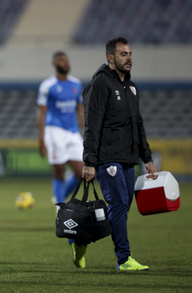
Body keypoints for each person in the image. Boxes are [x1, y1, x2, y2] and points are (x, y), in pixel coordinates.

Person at [79, 37, 157, 271]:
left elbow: (138, 125)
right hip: (107, 157)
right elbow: (92, 124)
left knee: (121, 208)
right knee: (120, 205)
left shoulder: (131, 87)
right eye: (123, 54)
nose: (129, 58)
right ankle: (124, 259)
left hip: (128, 158)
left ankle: (79, 237)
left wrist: (148, 159)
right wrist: (90, 161)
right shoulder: (101, 84)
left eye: (130, 54)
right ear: (110, 59)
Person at [36, 51, 85, 209]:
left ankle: (60, 198)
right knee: (59, 171)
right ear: (55, 64)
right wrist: (41, 139)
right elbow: (41, 113)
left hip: (73, 132)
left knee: (82, 172)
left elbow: (80, 109)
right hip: (55, 131)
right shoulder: (47, 86)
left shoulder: (76, 84)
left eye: (67, 60)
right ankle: (60, 208)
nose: (65, 63)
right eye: (62, 61)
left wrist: (85, 130)